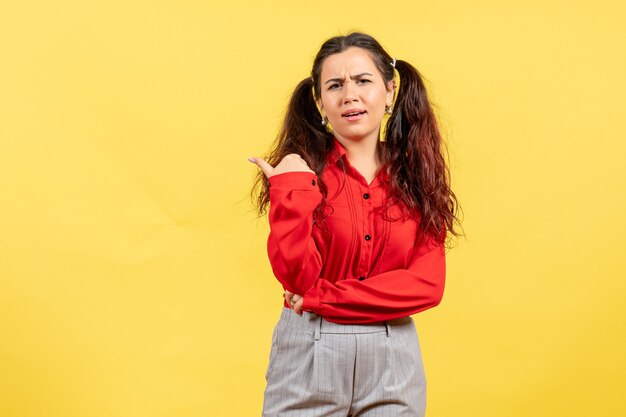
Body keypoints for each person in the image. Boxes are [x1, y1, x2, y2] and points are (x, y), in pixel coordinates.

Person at [248, 32, 462, 417]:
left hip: (392, 358)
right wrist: (290, 190)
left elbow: (427, 286)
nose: (350, 95)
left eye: (363, 81)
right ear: (320, 103)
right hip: (309, 352)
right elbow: (297, 279)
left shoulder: (418, 177)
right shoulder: (302, 174)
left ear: (390, 90)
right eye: (335, 85)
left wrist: (323, 298)